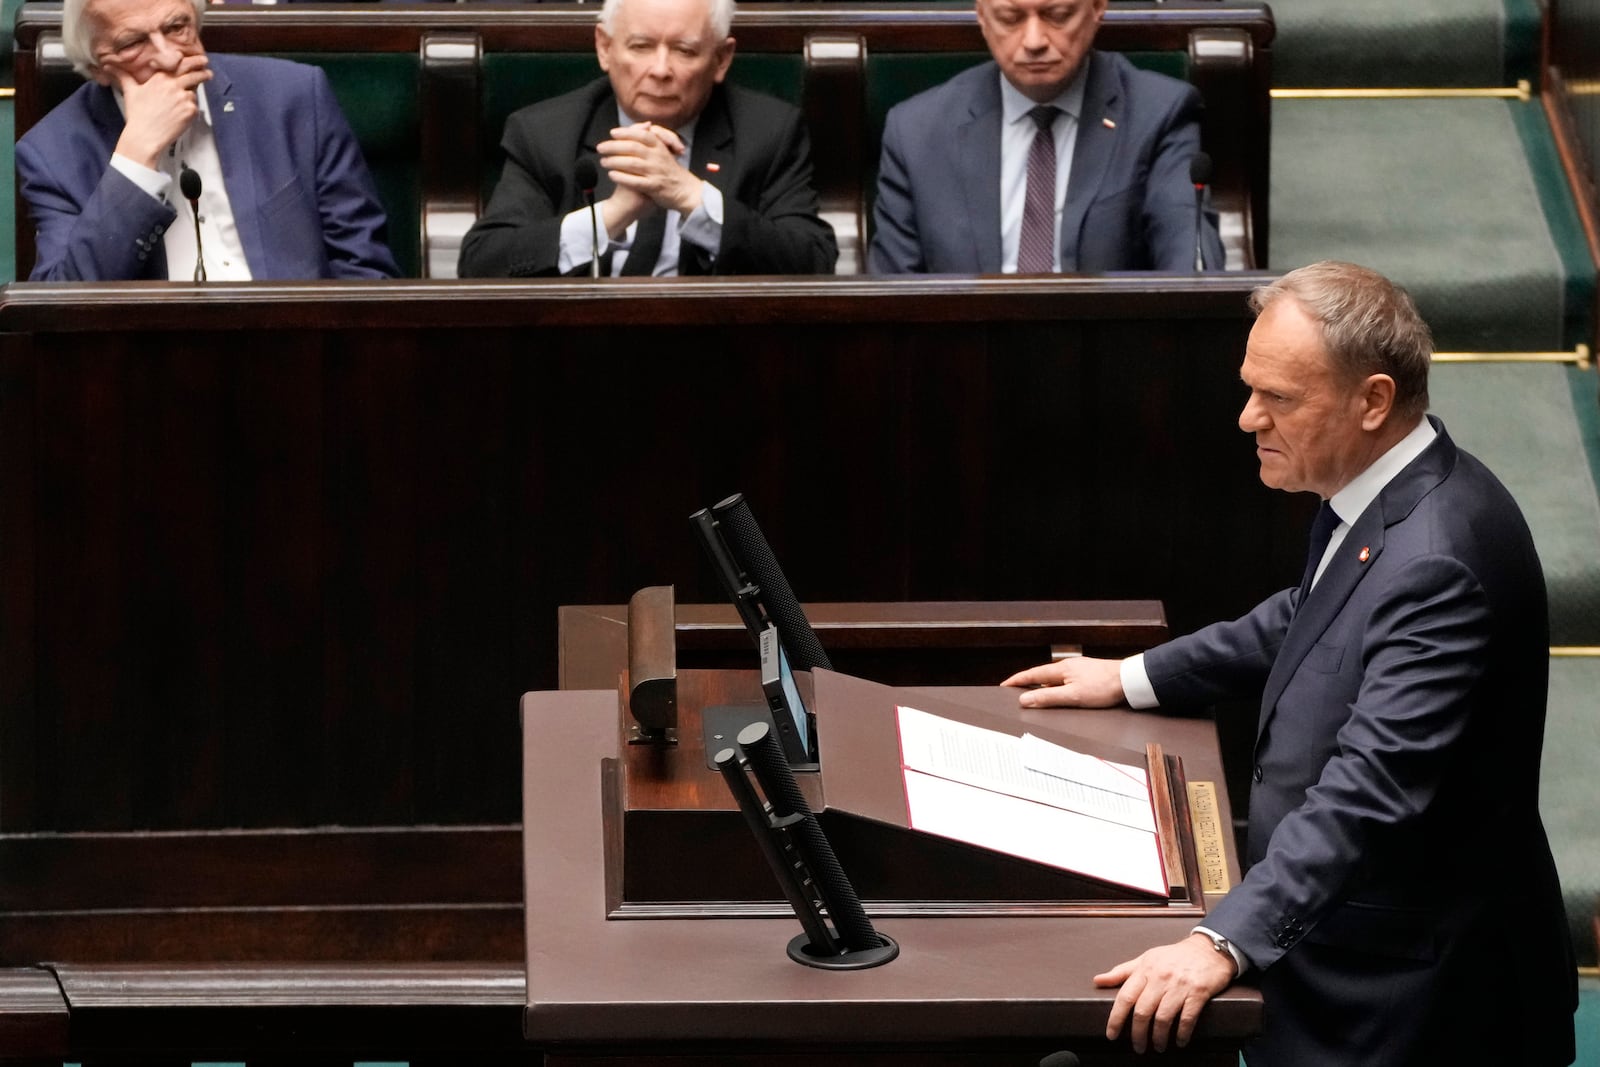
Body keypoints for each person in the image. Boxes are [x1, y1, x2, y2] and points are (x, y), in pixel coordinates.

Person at [1002, 261, 1576, 1066]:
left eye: (1279, 398)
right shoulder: (1389, 493)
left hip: (1411, 1002)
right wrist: (1131, 676)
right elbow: (1307, 615)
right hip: (1353, 954)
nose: (1247, 418)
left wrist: (1223, 940)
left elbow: (1369, 792)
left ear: (1373, 400)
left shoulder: (1440, 558)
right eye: (1250, 388)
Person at [16, 0, 400, 282]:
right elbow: (62, 306)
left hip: (301, 362)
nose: (167, 57)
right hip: (152, 376)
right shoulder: (52, 152)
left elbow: (365, 268)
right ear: (98, 68)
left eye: (176, 27)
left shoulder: (294, 98)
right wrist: (134, 161)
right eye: (133, 43)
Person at [458, 0, 836, 278]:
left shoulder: (769, 132)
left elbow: (814, 262)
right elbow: (481, 264)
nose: (660, 70)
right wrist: (610, 215)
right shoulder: (545, 133)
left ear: (721, 59)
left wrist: (693, 199)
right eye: (640, 47)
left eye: (684, 51)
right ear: (605, 48)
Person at [869, 0, 1223, 275]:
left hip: (1109, 355)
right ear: (981, 15)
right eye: (1010, 19)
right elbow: (894, 294)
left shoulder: (1158, 113)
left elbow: (1185, 268)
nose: (1034, 41)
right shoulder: (917, 130)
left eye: (1057, 15)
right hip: (962, 359)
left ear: (1097, 8)